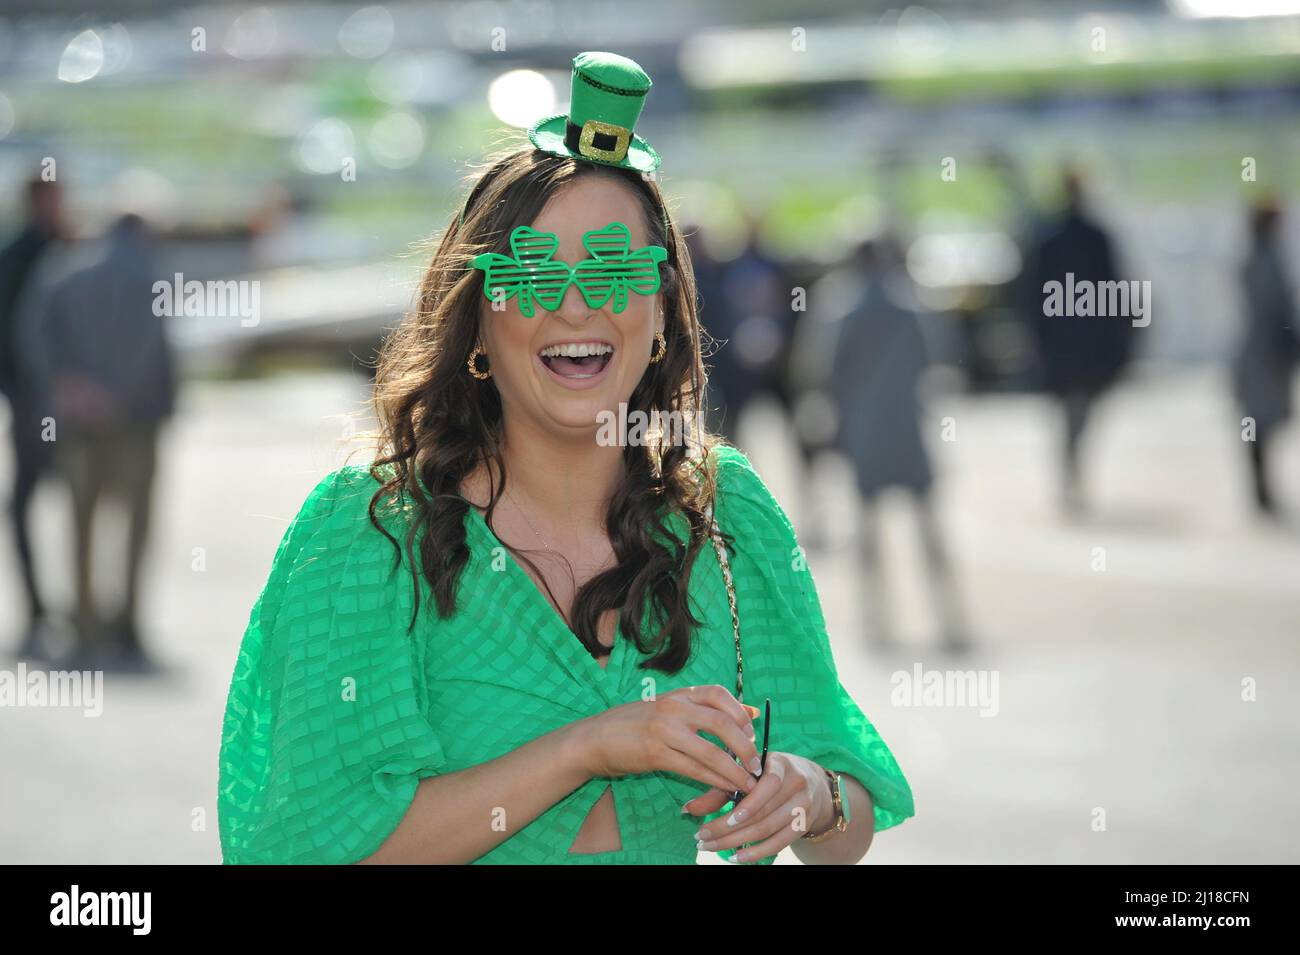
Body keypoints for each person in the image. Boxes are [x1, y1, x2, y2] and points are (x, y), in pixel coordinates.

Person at [217, 51, 914, 865]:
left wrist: (813, 795)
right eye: (535, 273)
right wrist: (588, 748)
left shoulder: (727, 513)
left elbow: (844, 820)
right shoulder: (368, 534)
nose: (577, 304)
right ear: (479, 321)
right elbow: (310, 850)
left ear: (660, 314)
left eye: (616, 269)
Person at [38, 212, 177, 669]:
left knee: (81, 521)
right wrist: (123, 397)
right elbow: (155, 349)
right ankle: (129, 623)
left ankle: (84, 622)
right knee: (136, 526)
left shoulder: (65, 272)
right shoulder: (149, 277)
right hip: (137, 422)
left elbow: (33, 334)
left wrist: (72, 388)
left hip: (79, 421)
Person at [827, 235, 970, 652]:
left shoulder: (842, 308)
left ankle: (877, 620)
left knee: (868, 532)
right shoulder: (910, 307)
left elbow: (826, 372)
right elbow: (935, 358)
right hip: (907, 428)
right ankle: (949, 616)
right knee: (929, 528)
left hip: (865, 433)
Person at [1026, 169, 1136, 515]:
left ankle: (1072, 468)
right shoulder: (1083, 237)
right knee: (1077, 412)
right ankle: (1072, 470)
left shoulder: (1054, 238)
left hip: (1069, 342)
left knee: (1075, 413)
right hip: (1083, 343)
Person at [0, 177, 63, 657]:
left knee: (78, 501)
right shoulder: (21, 255)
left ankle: (70, 607)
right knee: (25, 502)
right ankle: (39, 605)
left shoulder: (67, 247)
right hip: (35, 400)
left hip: (62, 401)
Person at [1233, 196, 1297, 516]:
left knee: (1260, 423)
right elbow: (1273, 309)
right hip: (1265, 353)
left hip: (1264, 352)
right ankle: (1260, 490)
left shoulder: (1262, 256)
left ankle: (1262, 489)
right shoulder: (1261, 259)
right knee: (1257, 423)